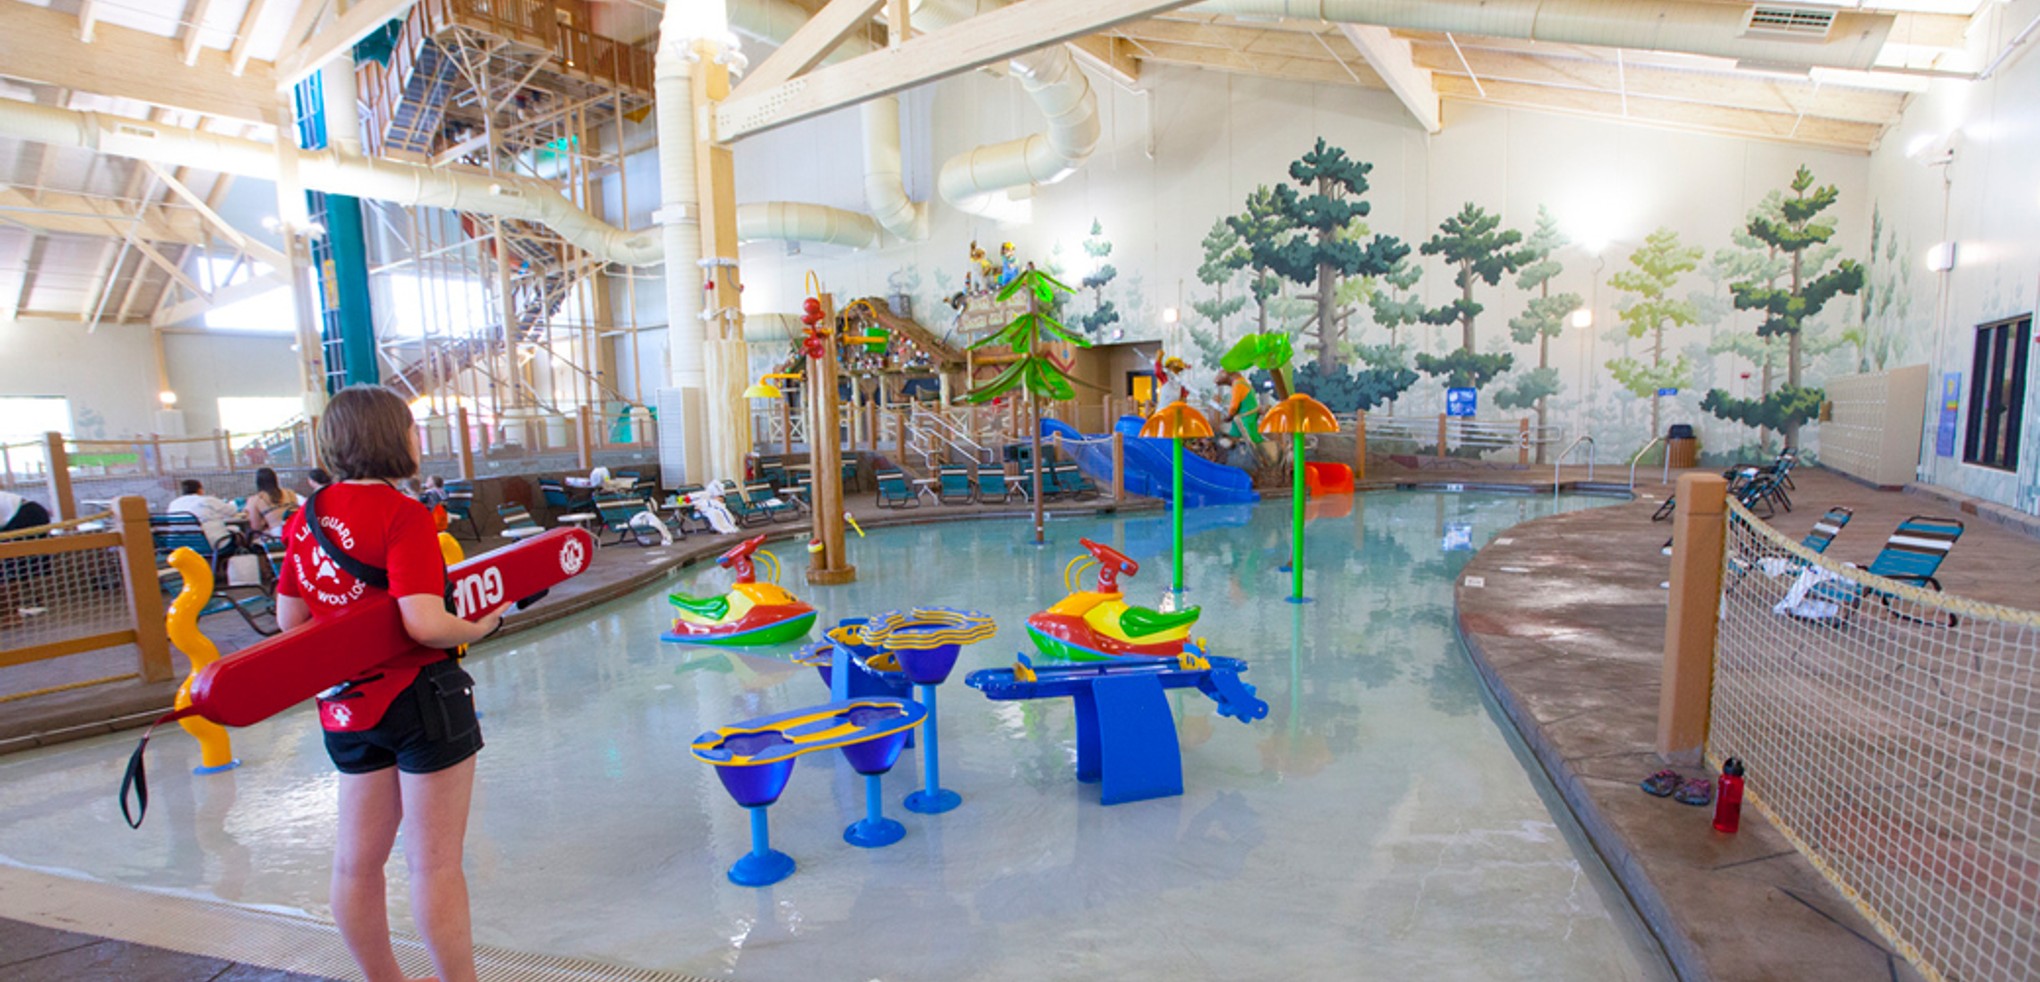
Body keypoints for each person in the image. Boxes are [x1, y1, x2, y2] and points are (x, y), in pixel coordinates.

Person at [274, 385, 505, 982]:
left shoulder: (306, 518)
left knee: (356, 865)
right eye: (409, 427)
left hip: (347, 708)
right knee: (433, 866)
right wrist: (479, 626)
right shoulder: (402, 514)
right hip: (420, 698)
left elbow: (289, 621)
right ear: (391, 437)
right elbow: (425, 623)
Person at [167, 479, 242, 551]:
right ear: (199, 490)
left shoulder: (173, 503)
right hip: (213, 544)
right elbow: (232, 511)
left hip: (182, 545)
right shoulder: (207, 500)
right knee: (237, 532)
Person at [244, 467, 300, 541]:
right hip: (298, 531)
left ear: (258, 482)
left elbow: (256, 528)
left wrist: (265, 520)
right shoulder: (290, 493)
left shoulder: (256, 499)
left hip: (278, 536)